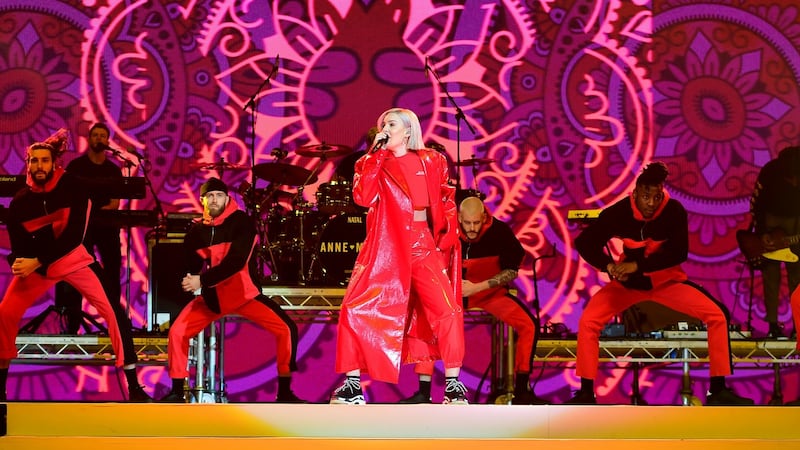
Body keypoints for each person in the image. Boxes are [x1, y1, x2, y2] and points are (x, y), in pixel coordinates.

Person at [568, 162, 754, 405]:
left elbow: (679, 252)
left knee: (717, 316)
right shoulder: (618, 213)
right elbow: (585, 242)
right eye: (646, 197)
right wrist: (609, 266)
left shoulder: (674, 210)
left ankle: (718, 390)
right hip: (627, 286)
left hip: (666, 282)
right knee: (588, 321)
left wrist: (638, 266)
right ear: (635, 194)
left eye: (656, 197)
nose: (652, 203)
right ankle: (585, 393)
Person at [0, 129, 150, 402]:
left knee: (114, 314)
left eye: (44, 160)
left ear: (54, 162)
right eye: (34, 161)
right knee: (4, 315)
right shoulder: (21, 201)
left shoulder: (73, 186)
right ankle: (0, 391)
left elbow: (74, 237)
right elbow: (19, 245)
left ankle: (135, 387)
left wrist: (37, 260)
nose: (39, 166)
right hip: (39, 267)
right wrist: (17, 262)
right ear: (28, 164)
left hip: (73, 260)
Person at [330, 107, 466, 405]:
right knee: (353, 309)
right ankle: (352, 386)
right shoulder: (370, 162)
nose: (385, 128)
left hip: (423, 243)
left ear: (408, 130)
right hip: (386, 246)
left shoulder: (432, 160)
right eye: (382, 124)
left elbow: (446, 200)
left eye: (392, 124)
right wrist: (374, 156)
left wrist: (447, 239)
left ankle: (454, 386)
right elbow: (363, 198)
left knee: (448, 310)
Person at [160, 177, 303, 403]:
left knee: (286, 329)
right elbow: (190, 267)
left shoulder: (242, 222)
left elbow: (236, 262)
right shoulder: (197, 231)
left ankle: (285, 392)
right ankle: (177, 391)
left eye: (219, 195)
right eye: (210, 196)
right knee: (177, 333)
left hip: (243, 295)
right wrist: (189, 273)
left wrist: (201, 281)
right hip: (212, 299)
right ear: (202, 201)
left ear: (227, 199)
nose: (214, 199)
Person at [401, 196, 545, 404]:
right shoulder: (445, 229)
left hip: (488, 294)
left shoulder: (500, 232)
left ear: (484, 216)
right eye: (467, 223)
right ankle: (424, 391)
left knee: (529, 325)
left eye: (476, 223)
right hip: (449, 297)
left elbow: (512, 270)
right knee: (425, 323)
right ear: (459, 217)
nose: (472, 228)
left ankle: (522, 389)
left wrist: (478, 287)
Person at [55, 123, 125, 334]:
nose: (98, 139)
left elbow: (115, 203)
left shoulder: (113, 170)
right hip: (81, 228)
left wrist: (91, 209)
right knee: (76, 270)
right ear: (89, 138)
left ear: (107, 140)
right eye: (95, 135)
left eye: (102, 135)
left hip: (107, 226)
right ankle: (73, 324)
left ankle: (116, 323)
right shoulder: (76, 167)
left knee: (112, 271)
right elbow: (67, 198)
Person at [748, 146, 800, 338]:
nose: (795, 183)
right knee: (771, 276)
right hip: (771, 221)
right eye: (791, 178)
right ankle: (772, 325)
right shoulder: (770, 171)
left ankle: (799, 326)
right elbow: (756, 203)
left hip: (797, 220)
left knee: (797, 277)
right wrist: (762, 233)